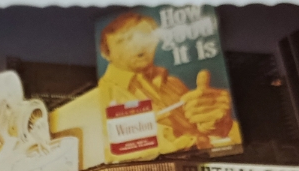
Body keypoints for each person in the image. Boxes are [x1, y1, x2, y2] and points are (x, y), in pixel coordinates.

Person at [98, 11, 239, 155]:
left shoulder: (173, 83)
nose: (138, 46)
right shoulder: (102, 96)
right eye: (124, 40)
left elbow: (211, 133)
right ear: (106, 53)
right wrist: (202, 140)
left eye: (145, 36)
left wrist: (221, 124)